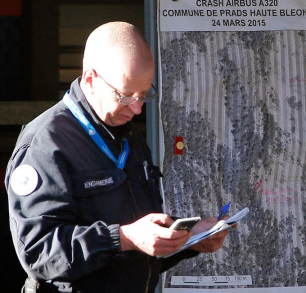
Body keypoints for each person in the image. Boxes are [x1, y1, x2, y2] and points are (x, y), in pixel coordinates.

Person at [4, 21, 230, 292]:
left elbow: (137, 249)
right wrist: (122, 237)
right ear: (90, 79)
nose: (136, 109)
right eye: (125, 96)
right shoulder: (45, 143)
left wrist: (188, 239)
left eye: (144, 95)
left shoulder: (127, 136)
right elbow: (38, 253)